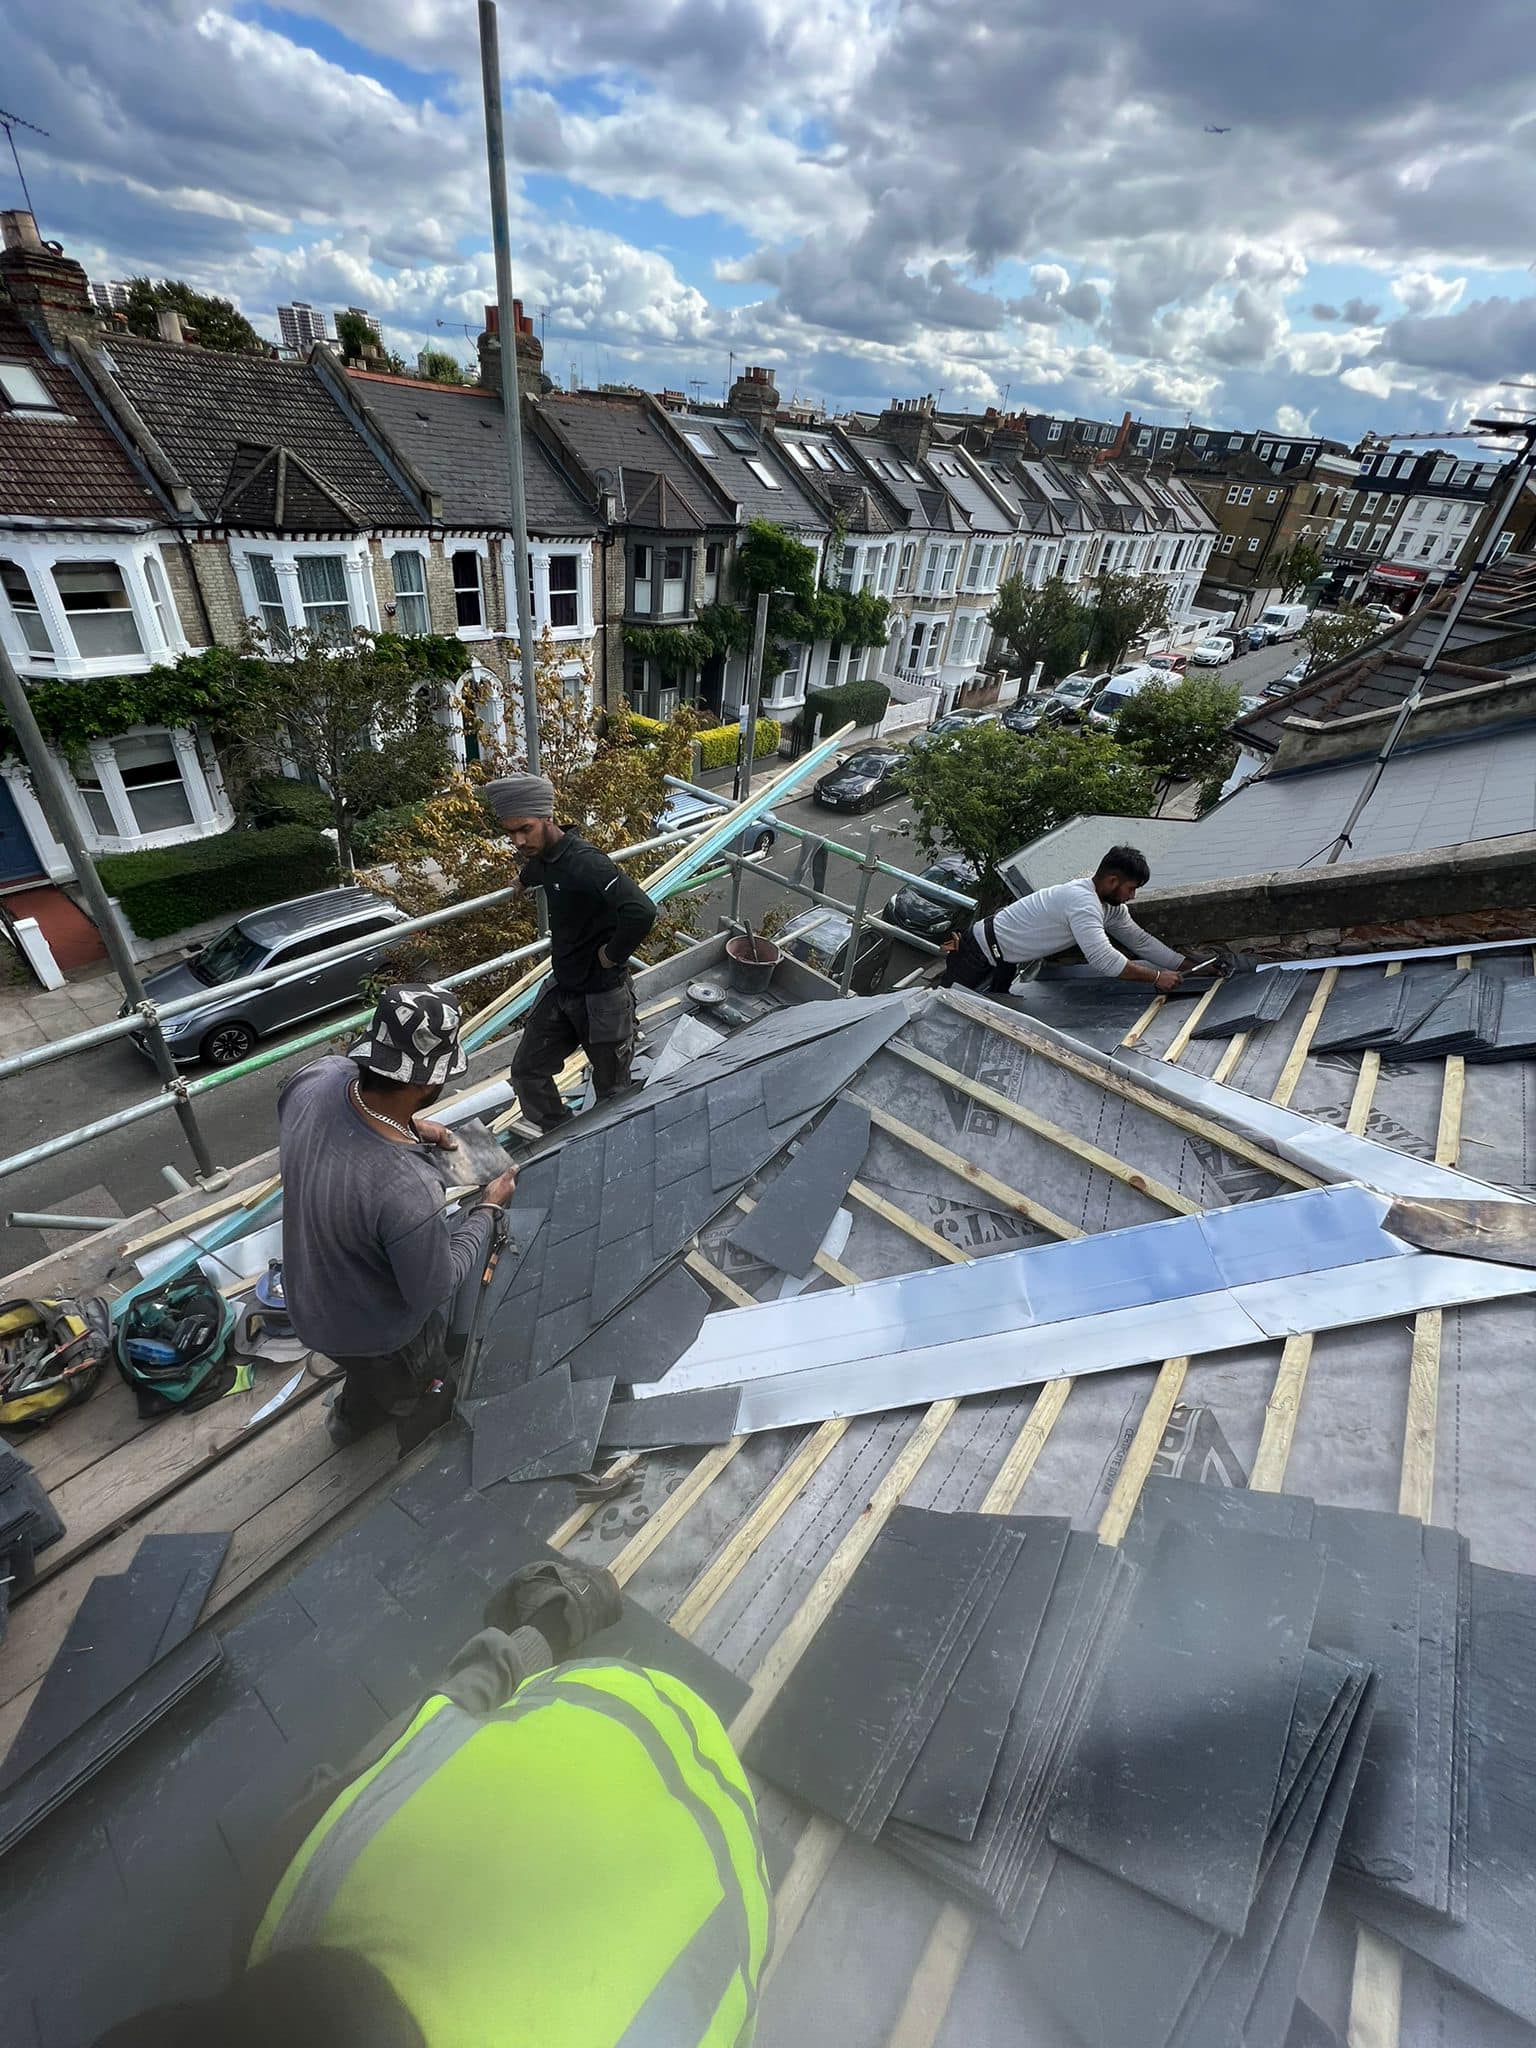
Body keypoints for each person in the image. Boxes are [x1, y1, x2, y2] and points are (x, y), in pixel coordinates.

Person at [95, 1563, 771, 2048]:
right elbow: (471, 1688)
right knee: (382, 1774)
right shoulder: (292, 1880)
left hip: (742, 1884)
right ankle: (559, 1613)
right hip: (616, 1706)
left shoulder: (298, 1879)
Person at [277, 984, 516, 1448]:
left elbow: (334, 1118)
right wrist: (487, 1208)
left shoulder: (317, 1079)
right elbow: (435, 1286)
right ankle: (411, 1426)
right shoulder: (408, 1189)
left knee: (365, 1376)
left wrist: (410, 1127)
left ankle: (350, 1418)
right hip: (378, 1331)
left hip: (309, 1302)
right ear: (429, 1083)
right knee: (414, 1377)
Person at [486, 773, 659, 1133]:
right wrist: (521, 880)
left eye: (525, 829)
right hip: (563, 988)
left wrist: (614, 954)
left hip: (601, 995)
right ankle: (560, 1134)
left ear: (547, 818)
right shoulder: (545, 856)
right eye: (511, 833)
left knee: (612, 1090)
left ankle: (610, 1143)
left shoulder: (587, 862)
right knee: (527, 1072)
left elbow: (641, 910)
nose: (518, 841)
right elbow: (542, 869)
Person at [941, 844, 1208, 995]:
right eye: (1131, 888)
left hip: (1005, 958)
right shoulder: (1082, 903)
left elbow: (1141, 942)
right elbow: (1105, 961)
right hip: (977, 951)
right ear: (1112, 881)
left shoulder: (1109, 906)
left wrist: (1194, 966)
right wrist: (1157, 977)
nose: (1133, 896)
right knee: (945, 1005)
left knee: (988, 1009)